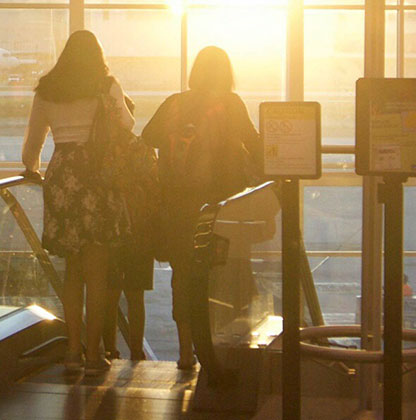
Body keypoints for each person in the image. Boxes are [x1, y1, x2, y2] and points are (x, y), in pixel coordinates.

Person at [141, 46, 263, 371]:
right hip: (223, 209)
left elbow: (147, 136)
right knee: (224, 277)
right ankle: (221, 352)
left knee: (183, 278)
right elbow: (255, 143)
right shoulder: (232, 105)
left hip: (180, 207)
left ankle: (185, 353)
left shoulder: (175, 103)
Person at [22, 30, 136, 373]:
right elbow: (127, 126)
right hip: (97, 175)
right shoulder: (106, 85)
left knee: (72, 270)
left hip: (62, 174)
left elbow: (32, 145)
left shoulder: (48, 89)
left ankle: (72, 350)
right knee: (97, 272)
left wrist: (33, 170)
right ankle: (93, 353)